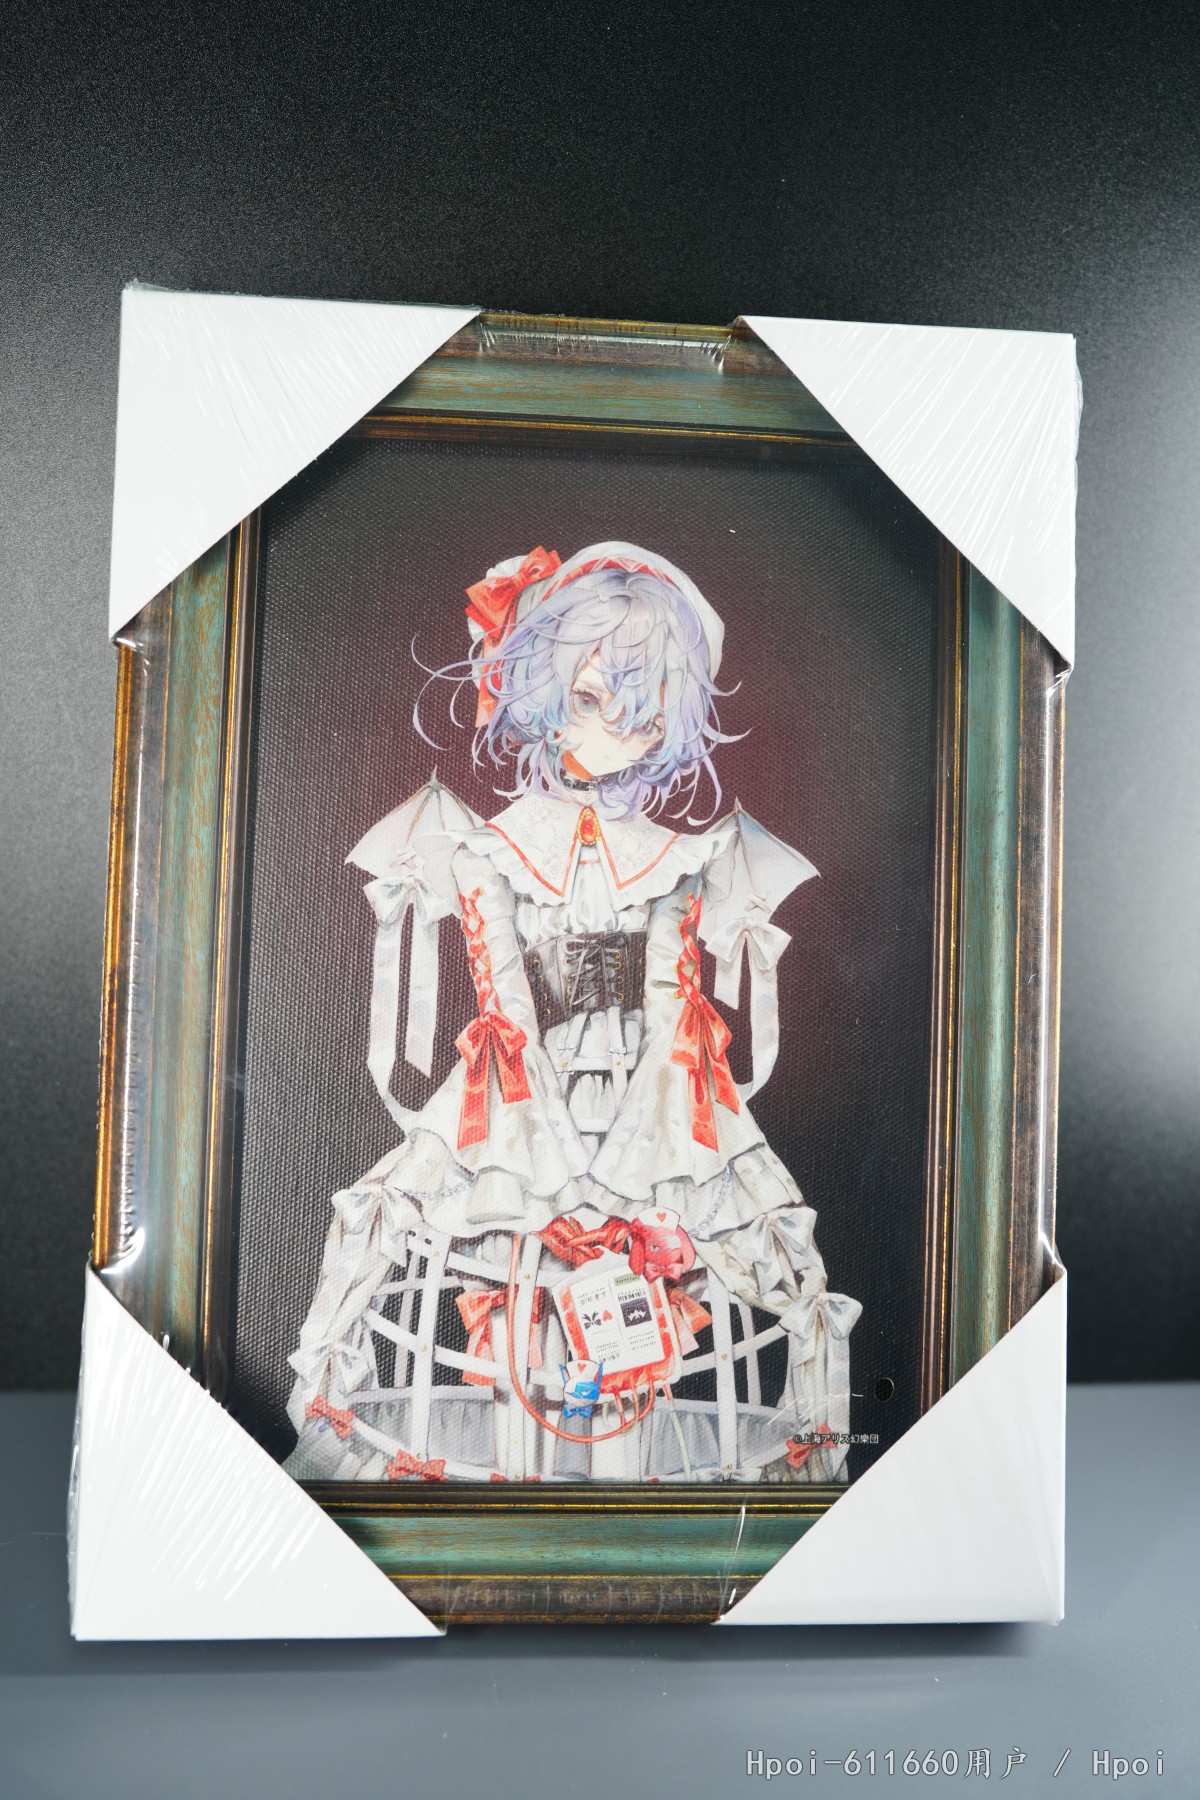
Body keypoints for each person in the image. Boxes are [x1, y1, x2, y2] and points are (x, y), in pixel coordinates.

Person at [285, 542, 860, 1484]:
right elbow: (504, 1003)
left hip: (656, 1099)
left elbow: (675, 1004)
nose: (611, 733)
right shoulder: (491, 847)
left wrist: (629, 1164)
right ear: (541, 691)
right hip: (519, 1097)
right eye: (589, 700)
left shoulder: (681, 857)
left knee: (762, 1269)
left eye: (643, 715)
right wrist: (558, 1162)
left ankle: (686, 1486)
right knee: (394, 1224)